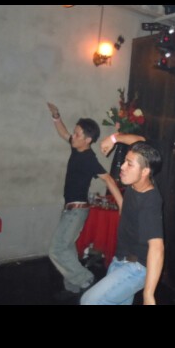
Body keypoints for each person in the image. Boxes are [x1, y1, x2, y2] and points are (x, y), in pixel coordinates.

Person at [46, 102, 123, 300]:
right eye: (75, 132)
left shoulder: (89, 158)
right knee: (68, 248)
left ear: (87, 140)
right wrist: (56, 116)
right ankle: (72, 287)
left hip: (77, 211)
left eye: (78, 134)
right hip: (70, 210)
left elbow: (108, 179)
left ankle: (86, 279)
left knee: (56, 249)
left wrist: (122, 204)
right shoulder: (76, 148)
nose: (73, 136)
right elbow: (63, 133)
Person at [80, 140, 164, 305]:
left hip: (136, 268)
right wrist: (114, 138)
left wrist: (148, 294)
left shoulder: (150, 202)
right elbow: (140, 141)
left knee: (89, 301)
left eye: (129, 164)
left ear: (145, 171)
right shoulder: (136, 184)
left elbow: (157, 248)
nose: (123, 167)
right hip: (120, 260)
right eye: (125, 161)